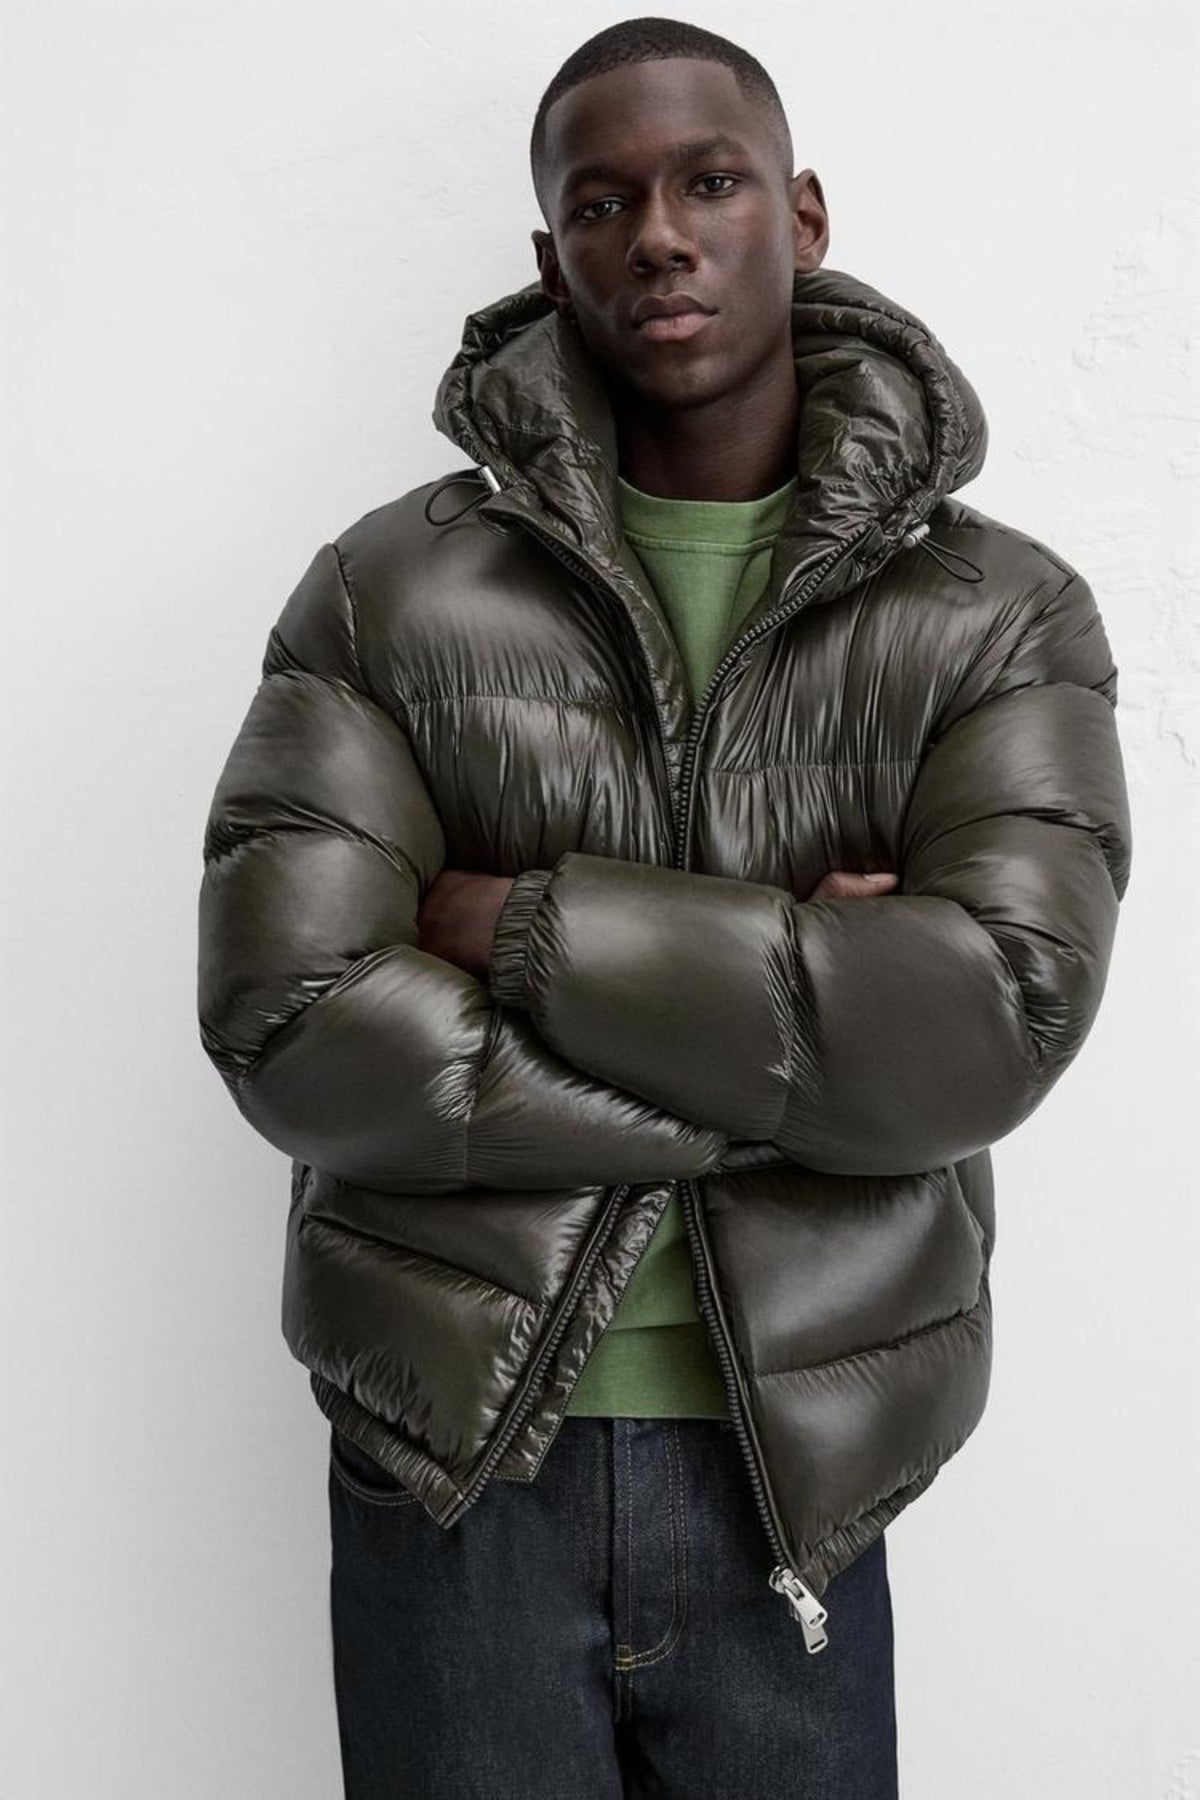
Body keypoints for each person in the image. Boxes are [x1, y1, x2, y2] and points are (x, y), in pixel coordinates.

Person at [196, 16, 1131, 1798]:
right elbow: (293, 1025)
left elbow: (991, 1027)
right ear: (554, 257)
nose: (662, 238)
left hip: (797, 1470)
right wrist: (792, 1027)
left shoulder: (1000, 617)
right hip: (455, 1463)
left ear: (805, 211)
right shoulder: (387, 593)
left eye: (711, 182)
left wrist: (528, 932)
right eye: (603, 203)